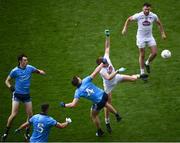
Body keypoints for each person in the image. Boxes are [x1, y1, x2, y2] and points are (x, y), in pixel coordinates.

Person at [96, 29, 147, 133]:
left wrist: (107, 36)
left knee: (132, 79)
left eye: (106, 62)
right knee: (108, 104)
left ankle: (140, 75)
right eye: (104, 63)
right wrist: (117, 71)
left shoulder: (106, 58)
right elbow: (109, 77)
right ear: (100, 65)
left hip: (117, 77)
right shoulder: (101, 70)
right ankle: (107, 122)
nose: (106, 63)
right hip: (108, 86)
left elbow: (107, 47)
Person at [60, 62, 122, 137]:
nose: (79, 77)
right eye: (78, 77)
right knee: (105, 104)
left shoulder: (78, 92)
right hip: (104, 94)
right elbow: (96, 71)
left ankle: (100, 131)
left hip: (99, 102)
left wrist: (64, 105)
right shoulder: (85, 80)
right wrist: (102, 63)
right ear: (78, 80)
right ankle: (117, 114)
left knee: (93, 116)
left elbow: (73, 104)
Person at [1, 54, 46, 142]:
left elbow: (37, 71)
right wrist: (10, 87)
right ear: (20, 61)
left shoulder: (29, 68)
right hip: (17, 95)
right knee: (13, 114)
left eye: (27, 60)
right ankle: (6, 133)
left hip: (26, 95)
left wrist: (41, 72)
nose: (27, 61)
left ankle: (26, 133)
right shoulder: (15, 71)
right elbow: (6, 80)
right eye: (25, 60)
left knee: (30, 116)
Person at [122, 2, 166, 75]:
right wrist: (125, 29)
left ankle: (147, 63)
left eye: (148, 9)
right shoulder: (139, 15)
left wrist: (162, 33)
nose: (147, 11)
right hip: (140, 38)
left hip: (149, 37)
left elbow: (159, 23)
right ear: (143, 9)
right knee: (142, 54)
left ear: (150, 9)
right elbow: (129, 19)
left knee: (155, 53)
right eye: (145, 9)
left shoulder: (153, 16)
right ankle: (142, 72)